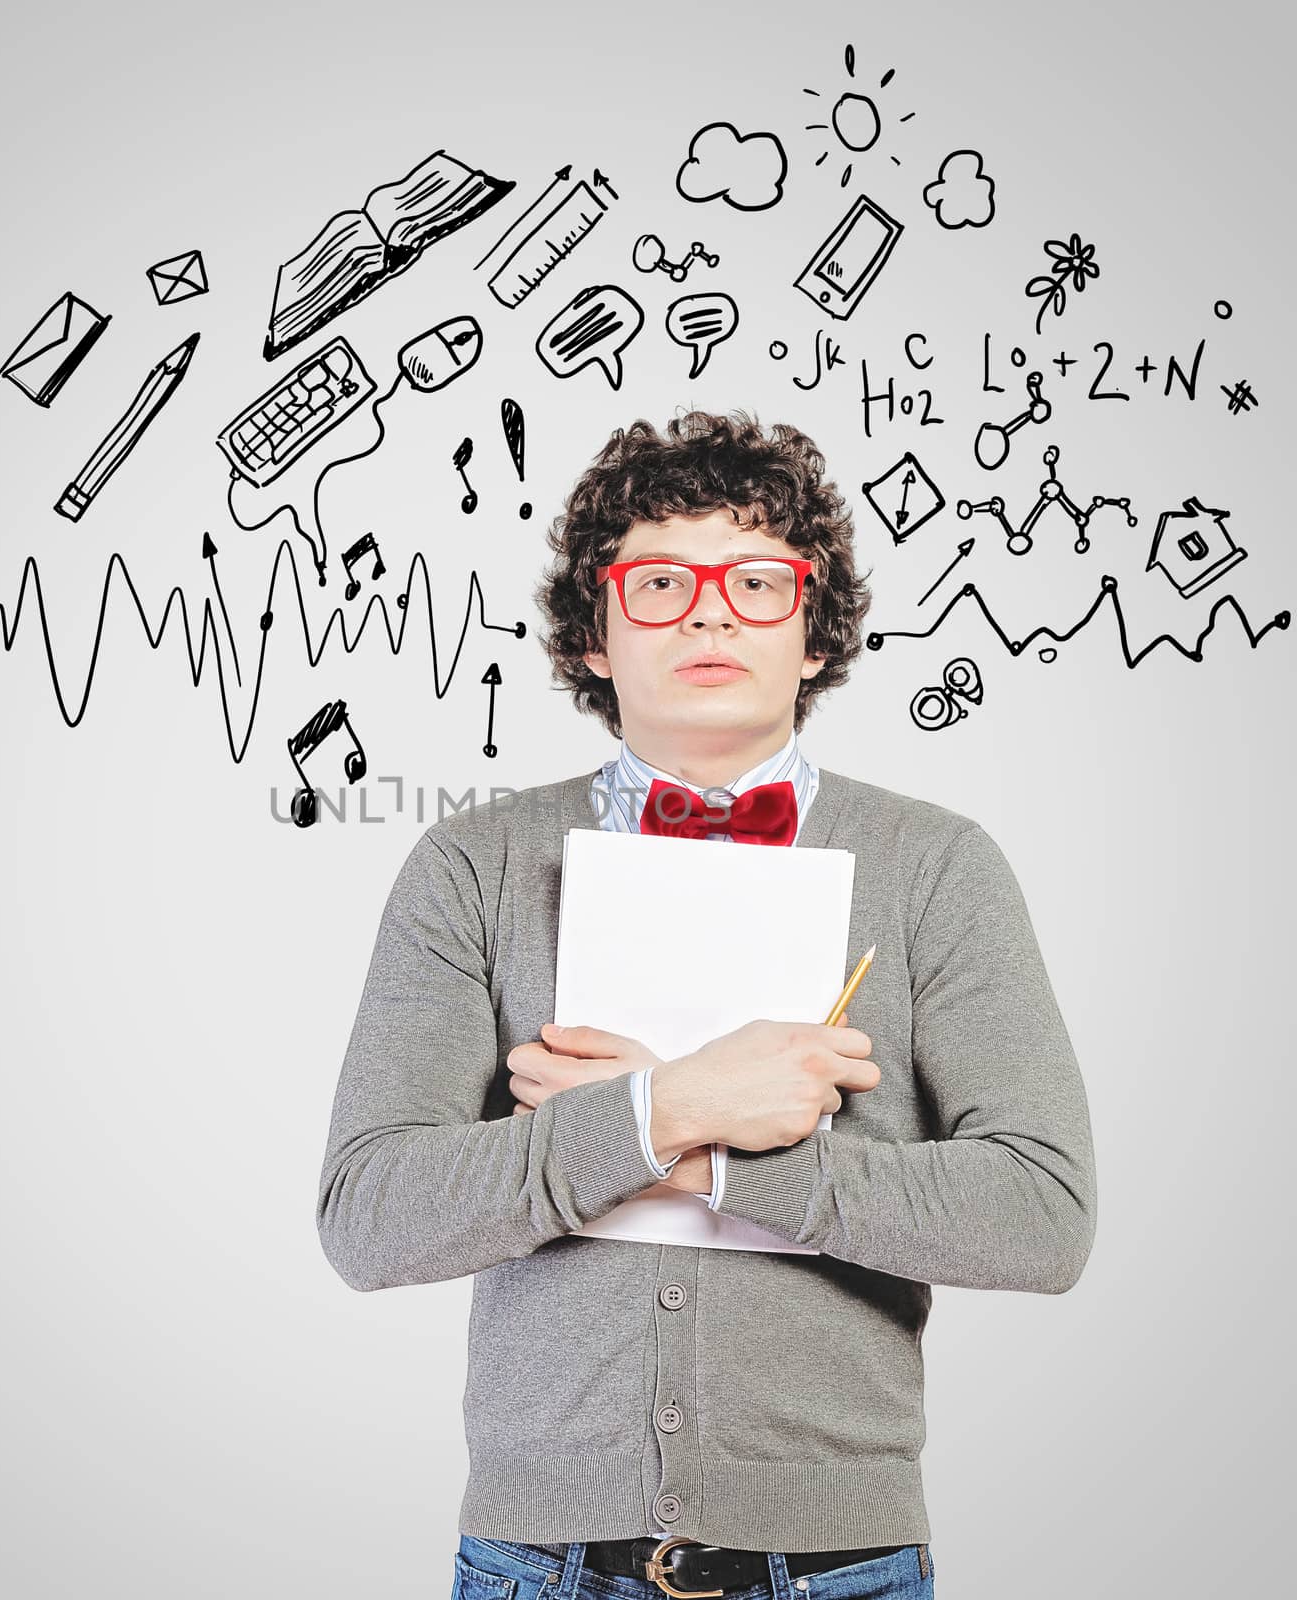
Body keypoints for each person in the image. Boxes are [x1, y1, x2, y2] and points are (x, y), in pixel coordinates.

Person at [315, 412, 1098, 1599]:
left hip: (847, 1564)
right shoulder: (471, 862)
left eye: (757, 579)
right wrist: (666, 1102)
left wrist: (699, 1159)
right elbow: (369, 1215)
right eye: (662, 581)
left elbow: (1042, 1213)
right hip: (537, 1561)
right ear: (592, 634)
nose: (711, 610)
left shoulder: (937, 863)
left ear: (814, 627)